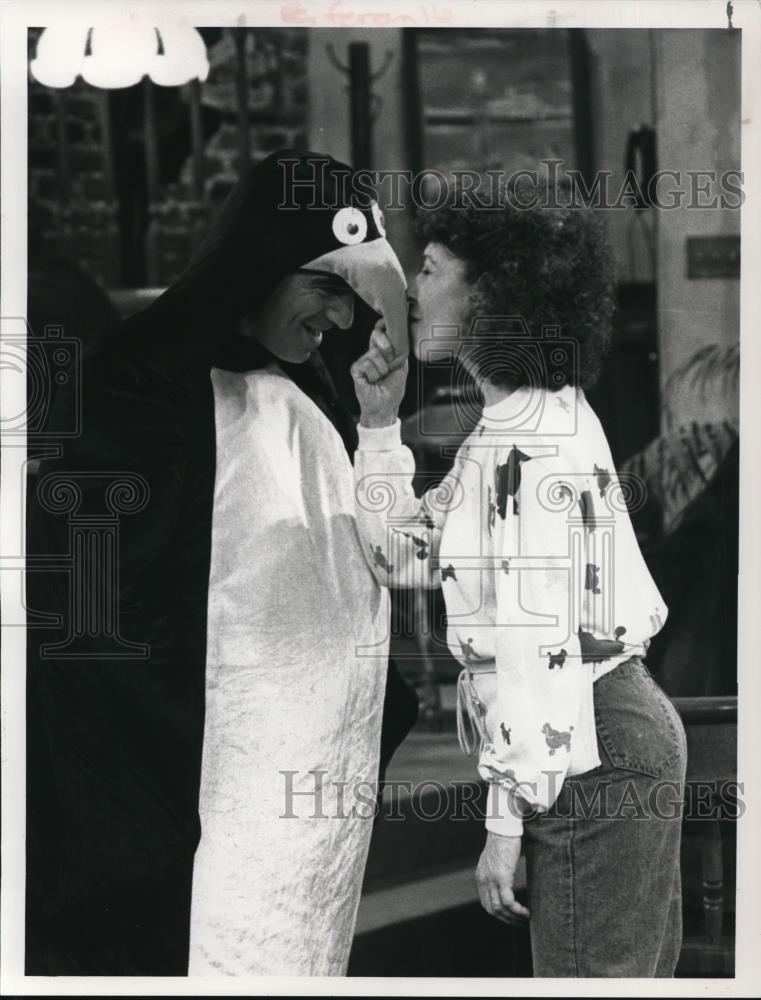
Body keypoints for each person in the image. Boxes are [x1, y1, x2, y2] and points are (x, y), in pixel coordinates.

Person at [25, 150, 417, 977]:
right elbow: (85, 620)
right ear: (263, 266)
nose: (340, 321)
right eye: (326, 291)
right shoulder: (130, 391)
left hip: (309, 814)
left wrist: (380, 428)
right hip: (182, 793)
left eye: (353, 300)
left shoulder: (312, 394)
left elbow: (385, 557)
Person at [350, 183, 688, 977]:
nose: (411, 288)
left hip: (585, 740)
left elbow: (538, 647)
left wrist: (505, 822)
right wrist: (375, 426)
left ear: (491, 293)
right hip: (592, 735)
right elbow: (404, 554)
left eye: (429, 269)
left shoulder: (524, 443)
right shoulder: (525, 420)